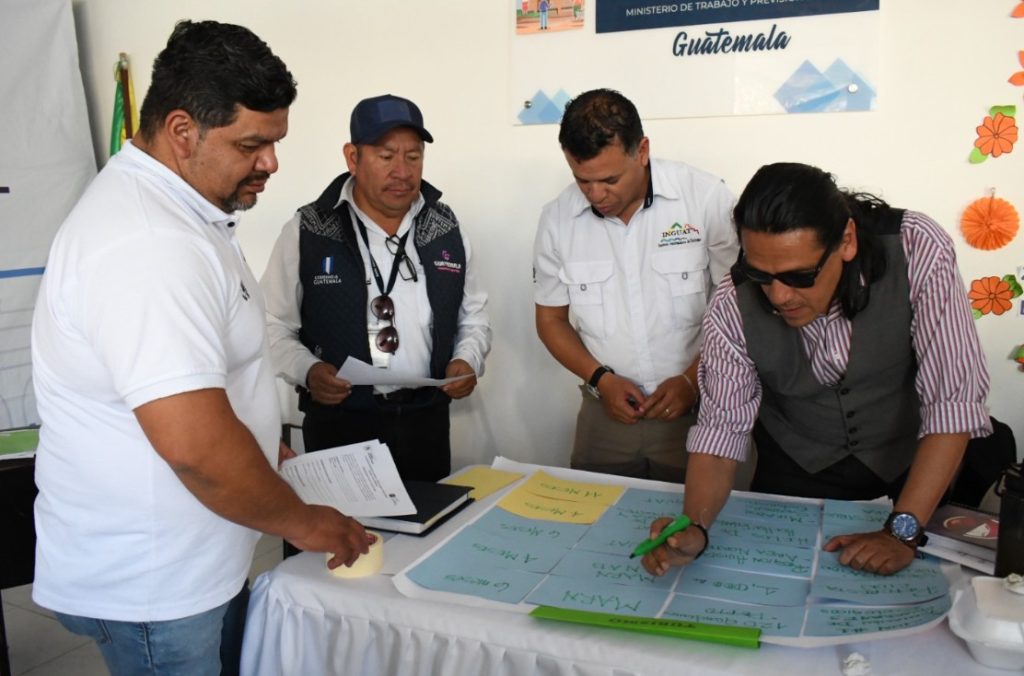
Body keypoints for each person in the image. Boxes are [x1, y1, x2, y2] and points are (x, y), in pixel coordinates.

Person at [30, 21, 374, 676]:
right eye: (251, 144)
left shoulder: (187, 212)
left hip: (197, 559)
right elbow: (196, 447)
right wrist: (305, 522)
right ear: (182, 131)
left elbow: (209, 378)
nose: (271, 163)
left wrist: (262, 443)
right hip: (155, 583)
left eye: (274, 142)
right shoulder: (147, 244)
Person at [641, 162, 992, 577]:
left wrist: (902, 533)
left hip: (911, 469)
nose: (778, 296)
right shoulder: (732, 303)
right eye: (761, 275)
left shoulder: (915, 247)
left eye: (800, 275)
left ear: (846, 240)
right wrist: (695, 527)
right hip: (796, 472)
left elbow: (951, 403)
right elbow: (721, 431)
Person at [261, 94, 490, 483]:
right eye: (386, 157)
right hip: (340, 423)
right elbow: (270, 325)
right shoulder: (309, 229)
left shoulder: (445, 228)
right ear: (353, 158)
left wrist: (468, 359)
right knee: (345, 522)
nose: (402, 171)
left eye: (413, 157)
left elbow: (474, 317)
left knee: (430, 518)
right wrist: (308, 370)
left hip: (426, 422)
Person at [533, 88, 739, 482]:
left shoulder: (704, 199)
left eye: (609, 179)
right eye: (582, 180)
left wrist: (691, 380)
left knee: (697, 517)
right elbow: (550, 321)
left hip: (701, 410)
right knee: (594, 515)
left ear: (642, 151)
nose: (596, 195)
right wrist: (601, 379)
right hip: (605, 417)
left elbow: (741, 311)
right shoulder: (558, 220)